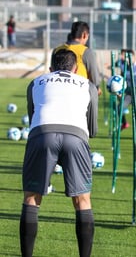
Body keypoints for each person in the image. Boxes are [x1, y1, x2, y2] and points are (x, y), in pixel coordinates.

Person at [20, 49, 98, 256]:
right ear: (75, 69)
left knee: (31, 197)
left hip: (42, 134)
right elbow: (93, 129)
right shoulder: (87, 84)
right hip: (77, 137)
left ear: (51, 68)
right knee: (82, 200)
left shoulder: (36, 82)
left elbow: (32, 117)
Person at [52, 21, 102, 95]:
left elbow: (52, 72)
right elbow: (95, 79)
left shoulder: (56, 50)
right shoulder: (86, 52)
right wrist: (97, 89)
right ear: (84, 35)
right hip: (80, 95)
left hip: (58, 93)